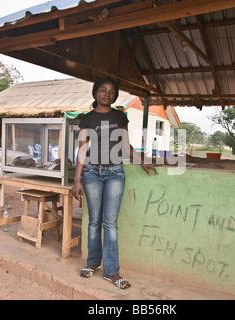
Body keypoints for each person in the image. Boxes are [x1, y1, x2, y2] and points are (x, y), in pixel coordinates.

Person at [72, 78, 158, 290]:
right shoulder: (87, 119)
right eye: (103, 90)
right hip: (91, 172)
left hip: (114, 173)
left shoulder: (120, 116)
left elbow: (125, 143)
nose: (107, 94)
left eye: (111, 91)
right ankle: (92, 263)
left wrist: (141, 161)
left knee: (110, 223)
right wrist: (76, 180)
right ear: (95, 93)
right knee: (94, 221)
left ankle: (112, 271)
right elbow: (83, 149)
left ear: (115, 95)